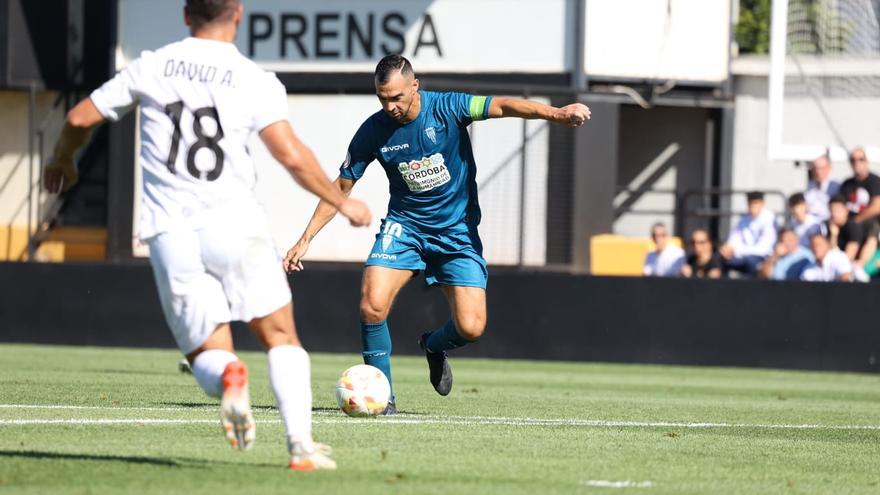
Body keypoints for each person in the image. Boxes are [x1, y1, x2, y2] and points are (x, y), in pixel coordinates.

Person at [43, 0, 372, 471]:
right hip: (235, 224)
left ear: (185, 14)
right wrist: (343, 203)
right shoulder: (253, 79)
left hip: (171, 232)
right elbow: (291, 155)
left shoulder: (152, 66)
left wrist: (61, 161)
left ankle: (231, 375)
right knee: (281, 337)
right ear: (237, 13)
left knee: (207, 353)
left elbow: (78, 119)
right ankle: (301, 447)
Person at [283, 54, 590, 413]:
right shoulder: (372, 131)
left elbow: (504, 106)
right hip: (405, 228)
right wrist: (305, 239)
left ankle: (433, 344)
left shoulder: (450, 107)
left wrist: (557, 114)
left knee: (471, 327)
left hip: (456, 234)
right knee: (371, 304)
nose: (390, 106)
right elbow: (342, 187)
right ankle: (383, 401)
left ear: (415, 86)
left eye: (397, 97)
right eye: (383, 99)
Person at [719, 191, 777, 276]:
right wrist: (728, 248)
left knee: (750, 263)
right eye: (750, 203)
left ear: (762, 203)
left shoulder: (769, 219)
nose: (753, 206)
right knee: (720, 257)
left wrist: (736, 250)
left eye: (756, 203)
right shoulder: (744, 218)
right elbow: (735, 237)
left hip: (762, 258)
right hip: (742, 255)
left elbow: (762, 249)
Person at [823, 195, 876, 281]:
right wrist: (834, 235)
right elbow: (831, 254)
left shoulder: (852, 226)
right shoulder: (829, 227)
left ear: (846, 211)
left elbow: (848, 257)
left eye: (837, 210)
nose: (834, 214)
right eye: (832, 210)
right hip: (838, 268)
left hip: (858, 267)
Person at [841, 147, 880, 225]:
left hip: (869, 224)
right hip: (848, 224)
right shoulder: (847, 183)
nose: (856, 162)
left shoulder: (875, 181)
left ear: (867, 161)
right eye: (853, 160)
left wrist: (856, 220)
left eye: (861, 159)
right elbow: (840, 205)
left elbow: (877, 207)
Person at [804, 154, 840, 221]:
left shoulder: (836, 187)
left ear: (828, 168)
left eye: (821, 168)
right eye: (815, 168)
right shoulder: (810, 186)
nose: (818, 172)